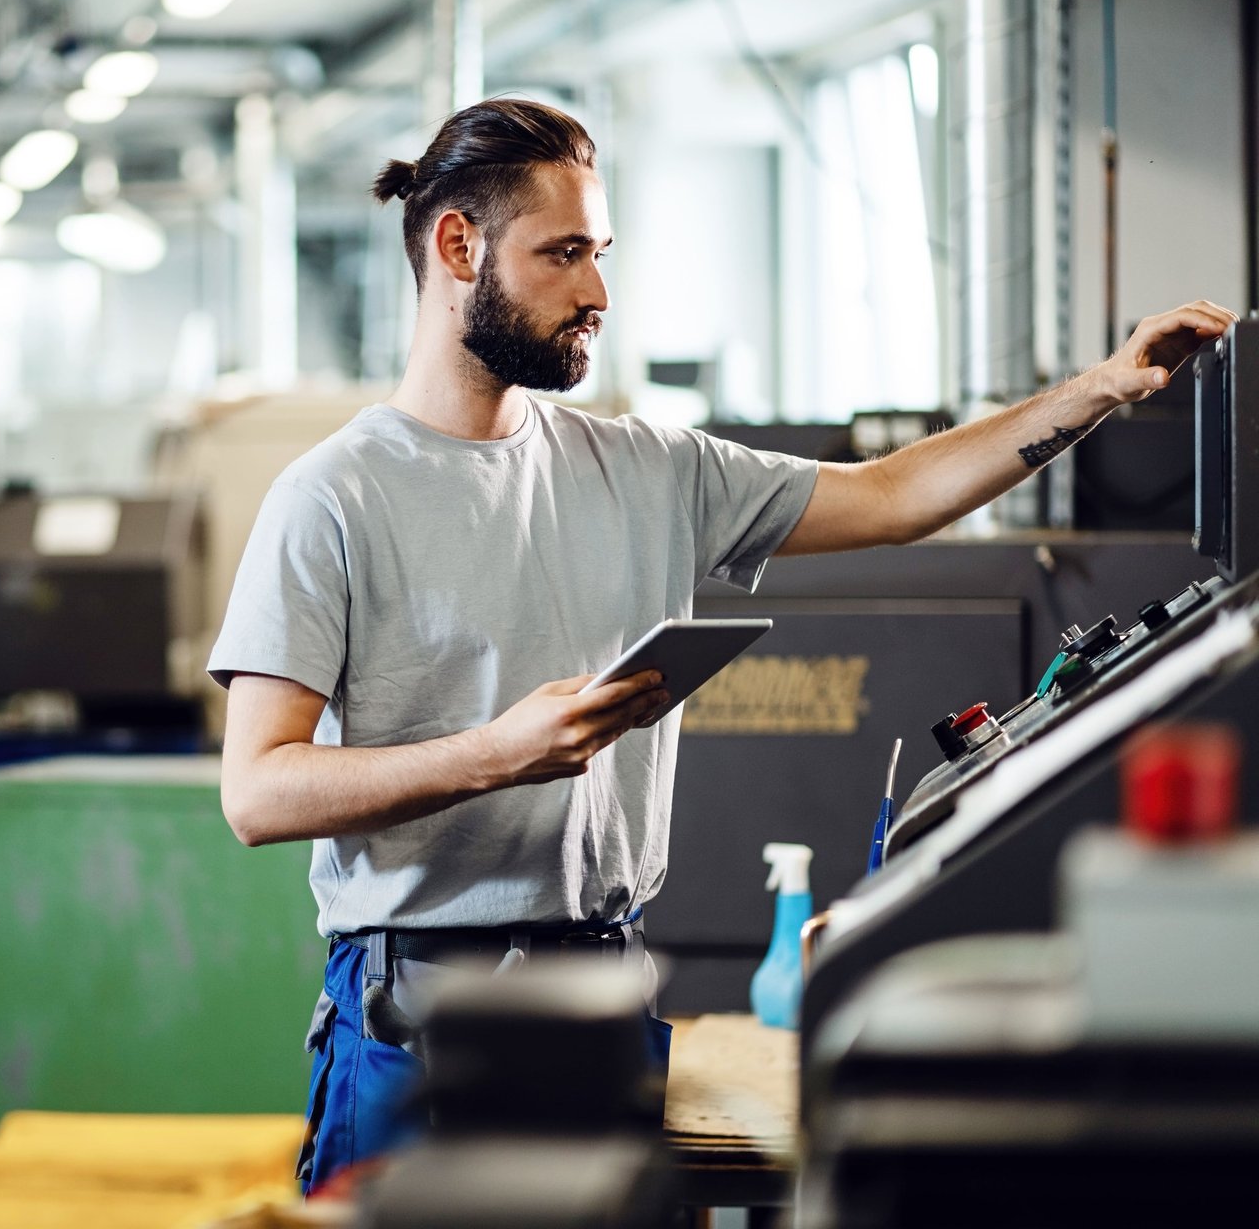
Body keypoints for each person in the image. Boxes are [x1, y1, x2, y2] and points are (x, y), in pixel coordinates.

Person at [207, 97, 1235, 1192]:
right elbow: (258, 792)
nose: (598, 291)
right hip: (413, 1028)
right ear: (458, 245)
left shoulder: (651, 469)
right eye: (563, 255)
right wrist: (498, 751)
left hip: (610, 1000)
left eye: (600, 253)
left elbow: (892, 494)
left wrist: (1097, 389)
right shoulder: (331, 498)